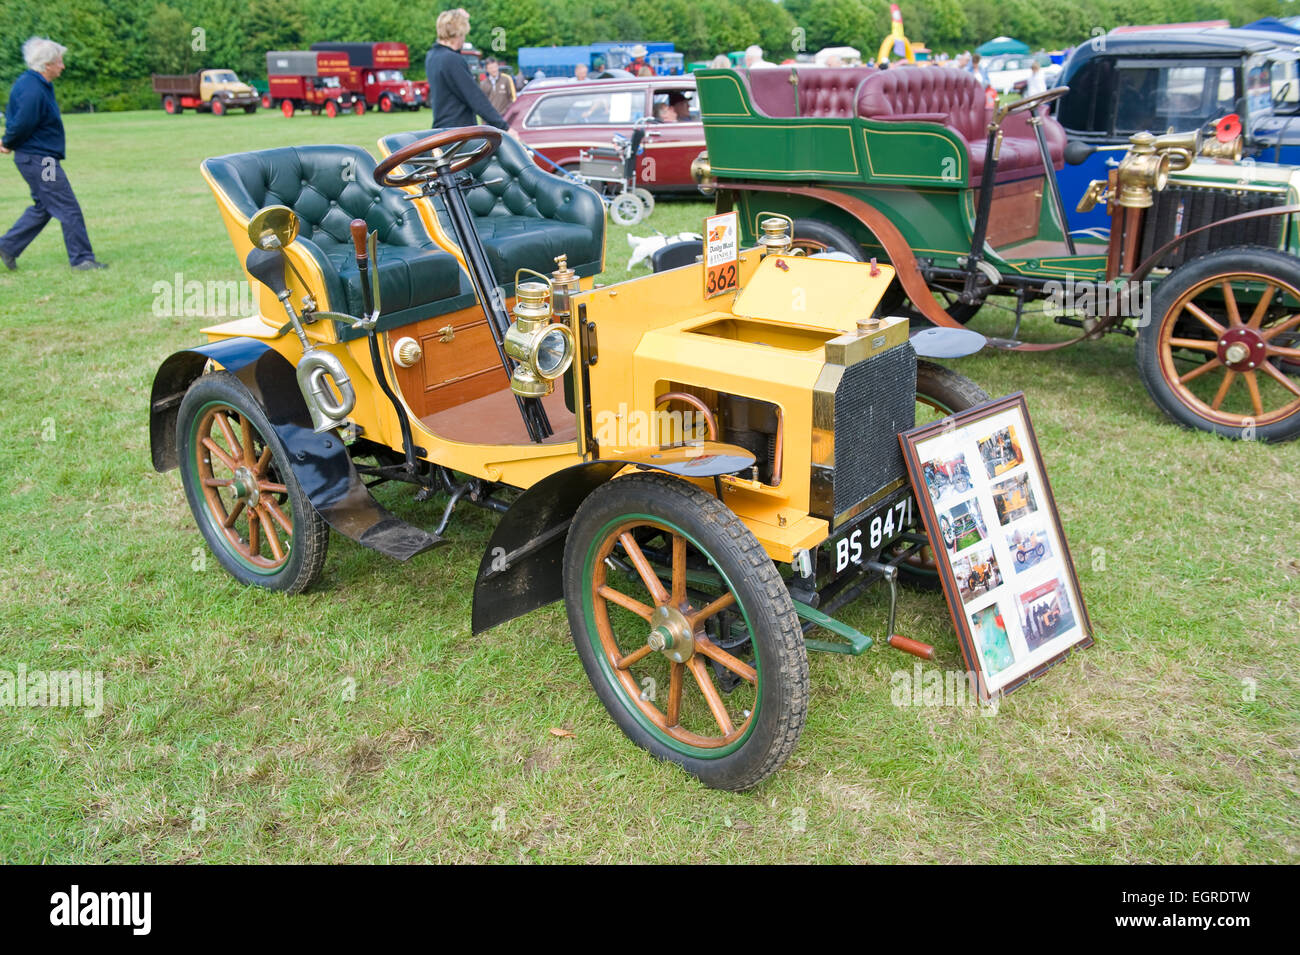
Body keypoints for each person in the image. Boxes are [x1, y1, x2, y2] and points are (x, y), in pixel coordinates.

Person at [0, 37, 105, 271]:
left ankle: (7, 246)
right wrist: (8, 142)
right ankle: (82, 260)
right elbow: (22, 122)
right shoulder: (32, 89)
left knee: (44, 207)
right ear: (47, 65)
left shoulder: (32, 83)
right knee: (67, 207)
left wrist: (10, 142)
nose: (63, 66)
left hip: (36, 157)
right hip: (41, 160)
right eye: (59, 61)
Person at [424, 9, 509, 131]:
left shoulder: (432, 56)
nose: (464, 39)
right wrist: (504, 127)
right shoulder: (452, 59)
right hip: (457, 135)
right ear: (458, 34)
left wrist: (459, 17)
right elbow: (475, 97)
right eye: (463, 34)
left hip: (441, 131)